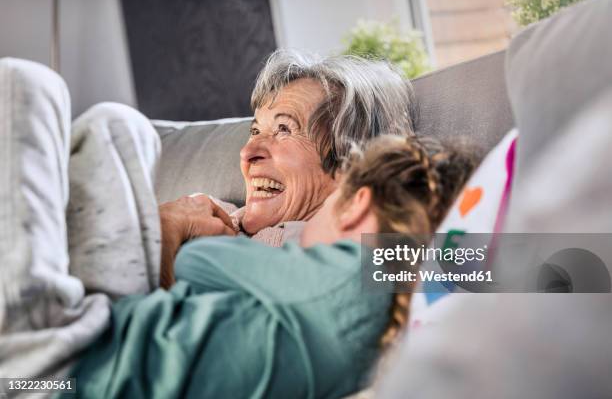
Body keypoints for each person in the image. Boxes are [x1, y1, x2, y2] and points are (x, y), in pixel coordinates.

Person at [63, 134, 473, 398]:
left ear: (357, 204)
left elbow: (196, 260)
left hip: (85, 364)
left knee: (108, 124)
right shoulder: (393, 308)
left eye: (284, 129)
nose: (250, 150)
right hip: (77, 373)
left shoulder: (351, 274)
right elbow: (521, 266)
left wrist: (194, 235)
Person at [158, 50, 418, 285]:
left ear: (351, 164)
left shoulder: (360, 255)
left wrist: (165, 229)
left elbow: (453, 268)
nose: (247, 153)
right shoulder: (203, 212)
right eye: (256, 130)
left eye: (284, 129)